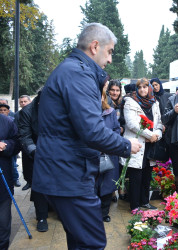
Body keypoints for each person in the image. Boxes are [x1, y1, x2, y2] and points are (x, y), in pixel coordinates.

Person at [32, 23, 141, 249]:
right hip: (69, 175)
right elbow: (91, 130)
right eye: (109, 51)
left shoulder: (73, 71)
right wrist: (125, 145)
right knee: (92, 242)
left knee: (81, 241)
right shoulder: (77, 74)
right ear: (94, 46)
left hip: (66, 172)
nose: (110, 59)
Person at [123, 78, 163, 211]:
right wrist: (149, 135)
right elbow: (132, 124)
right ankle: (135, 206)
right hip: (137, 144)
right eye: (139, 87)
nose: (142, 90)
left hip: (150, 145)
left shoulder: (154, 102)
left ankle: (145, 201)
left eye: (145, 87)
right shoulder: (130, 102)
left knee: (147, 176)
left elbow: (159, 123)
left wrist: (156, 135)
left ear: (149, 88)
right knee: (136, 177)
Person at [17, 90, 50, 232]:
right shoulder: (27, 112)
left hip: (54, 152)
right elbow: (24, 135)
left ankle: (58, 210)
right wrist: (35, 152)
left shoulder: (57, 106)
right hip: (35, 153)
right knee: (39, 186)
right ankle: (41, 216)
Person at [96, 80, 120, 222]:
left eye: (101, 96)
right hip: (93, 154)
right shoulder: (88, 113)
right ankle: (93, 213)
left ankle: (104, 213)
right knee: (94, 185)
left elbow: (116, 129)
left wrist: (110, 141)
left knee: (107, 184)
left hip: (109, 153)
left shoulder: (110, 112)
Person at [0, 114, 21, 250]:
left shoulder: (5, 121)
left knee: (3, 219)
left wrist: (6, 145)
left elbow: (17, 143)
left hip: (2, 179)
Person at [107, 79, 126, 202]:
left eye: (117, 90)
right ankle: (112, 191)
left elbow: (125, 120)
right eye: (112, 90)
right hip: (109, 138)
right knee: (110, 165)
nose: (115, 93)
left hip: (120, 138)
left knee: (121, 165)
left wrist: (122, 128)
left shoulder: (122, 104)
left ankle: (120, 188)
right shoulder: (105, 103)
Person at [0, 103, 21, 188]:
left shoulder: (7, 121)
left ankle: (16, 178)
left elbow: (17, 142)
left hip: (3, 166)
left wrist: (5, 144)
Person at [14, 95, 32, 191]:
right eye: (21, 102)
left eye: (25, 101)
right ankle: (28, 181)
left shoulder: (35, 112)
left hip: (33, 142)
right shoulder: (17, 114)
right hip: (23, 143)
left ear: (30, 101)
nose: (23, 103)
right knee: (26, 164)